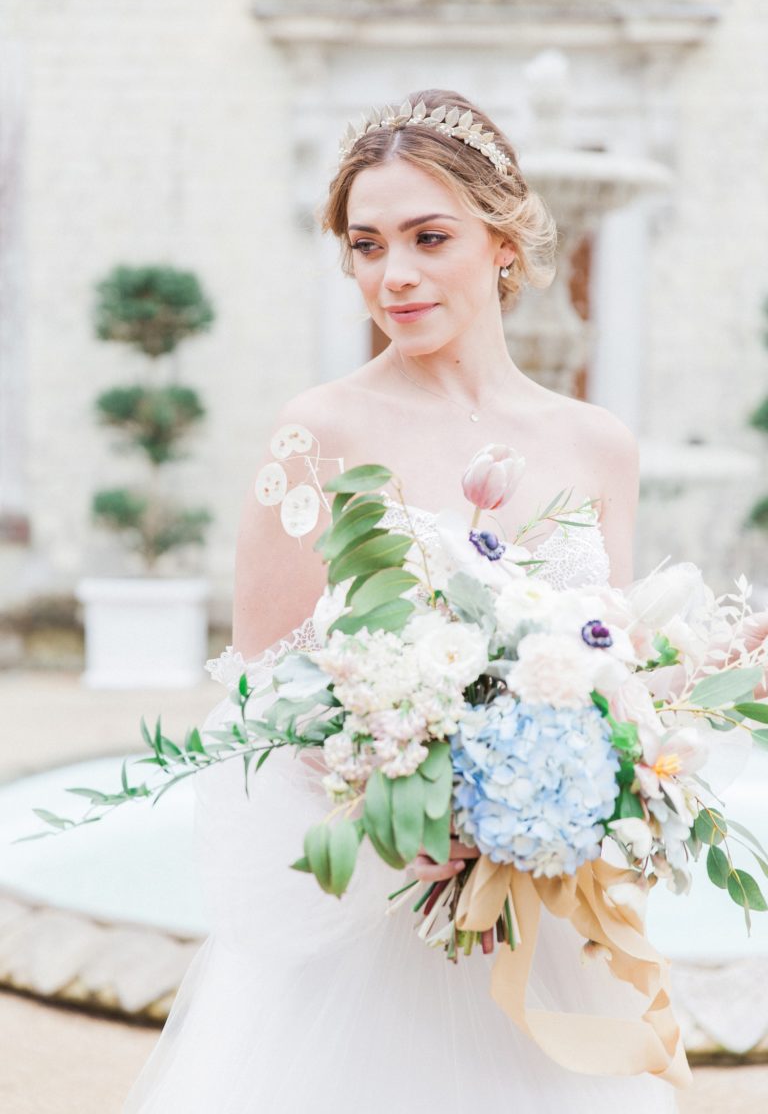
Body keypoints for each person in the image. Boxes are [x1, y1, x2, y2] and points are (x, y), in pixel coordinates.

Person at [123, 90, 679, 1112]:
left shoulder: (600, 444)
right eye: (367, 245)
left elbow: (615, 669)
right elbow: (262, 688)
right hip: (378, 909)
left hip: (539, 913)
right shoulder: (321, 430)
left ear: (504, 241)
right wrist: (413, 802)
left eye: (429, 237)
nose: (396, 274)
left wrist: (584, 784)